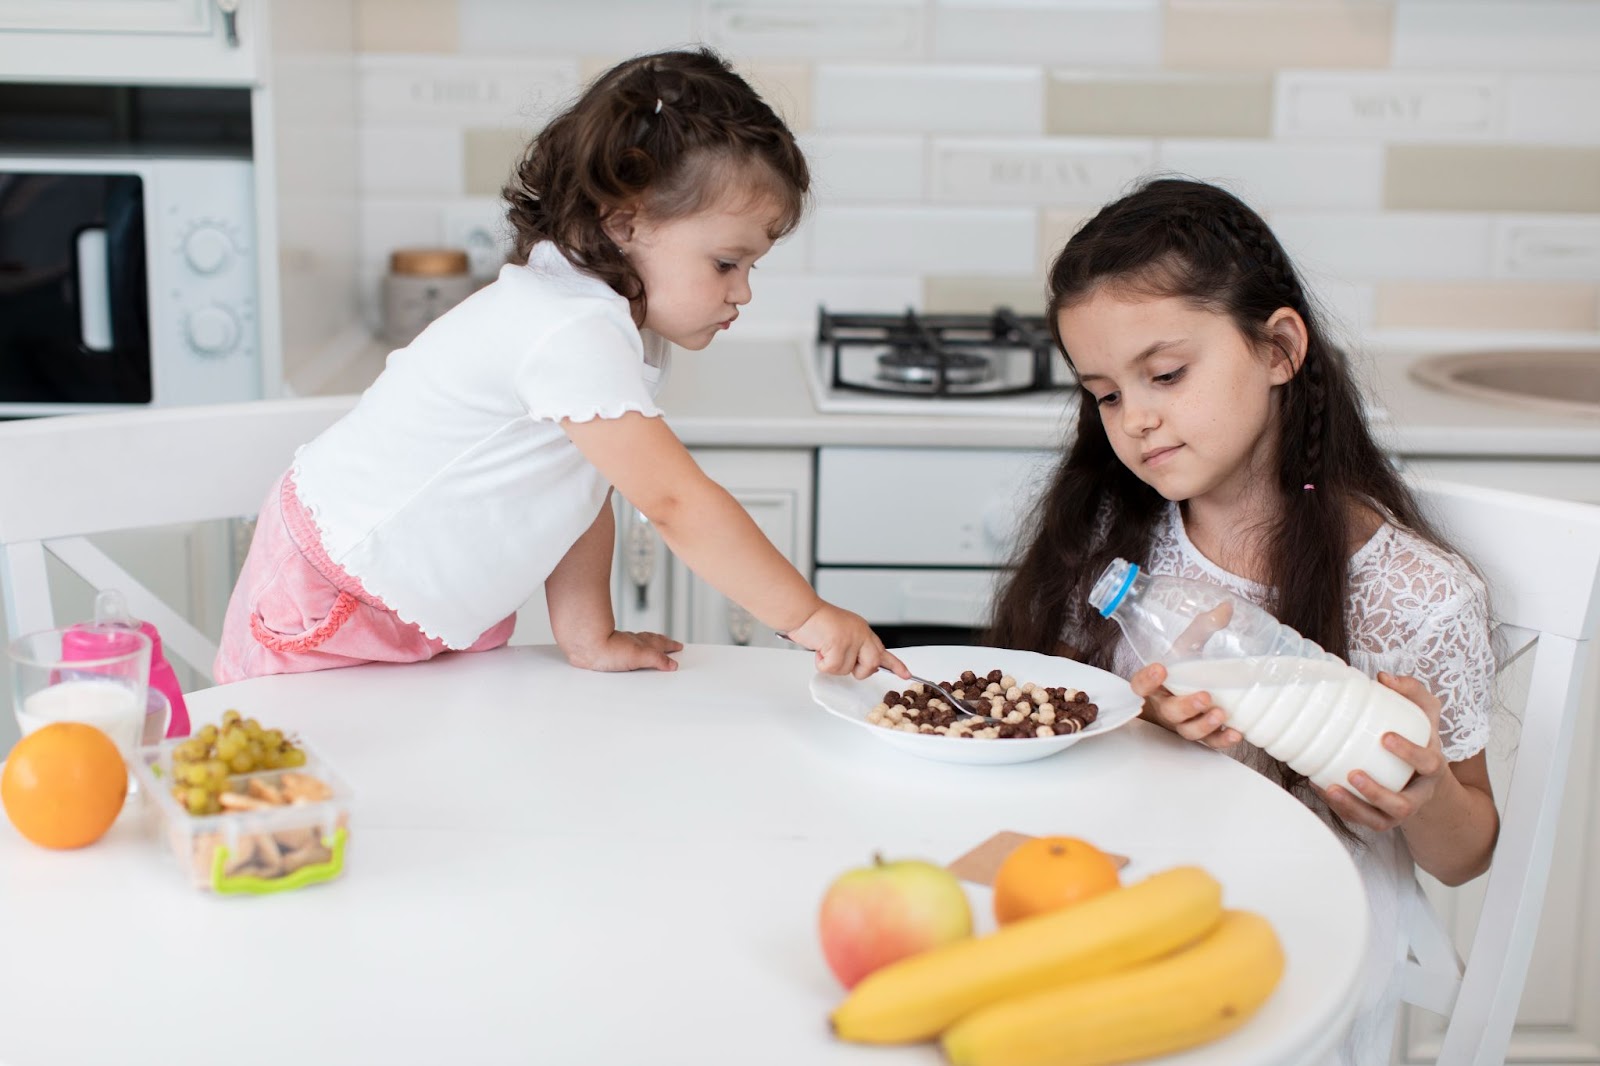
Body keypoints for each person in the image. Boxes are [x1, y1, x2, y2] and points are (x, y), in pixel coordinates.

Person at [988, 178, 1499, 1063]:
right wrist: (1139, 726)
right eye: (1105, 394)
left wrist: (1426, 795)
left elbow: (1466, 854)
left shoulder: (1412, 589)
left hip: (1303, 941)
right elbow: (1050, 757)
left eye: (1167, 374)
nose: (1136, 419)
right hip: (1131, 886)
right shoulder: (1114, 547)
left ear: (1279, 348)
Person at [216, 48, 904, 685]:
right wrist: (808, 616)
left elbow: (577, 485)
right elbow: (676, 505)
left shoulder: (613, 324)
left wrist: (588, 635)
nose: (742, 290)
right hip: (338, 592)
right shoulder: (570, 327)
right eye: (727, 262)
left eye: (751, 265)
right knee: (281, 791)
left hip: (403, 598)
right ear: (624, 221)